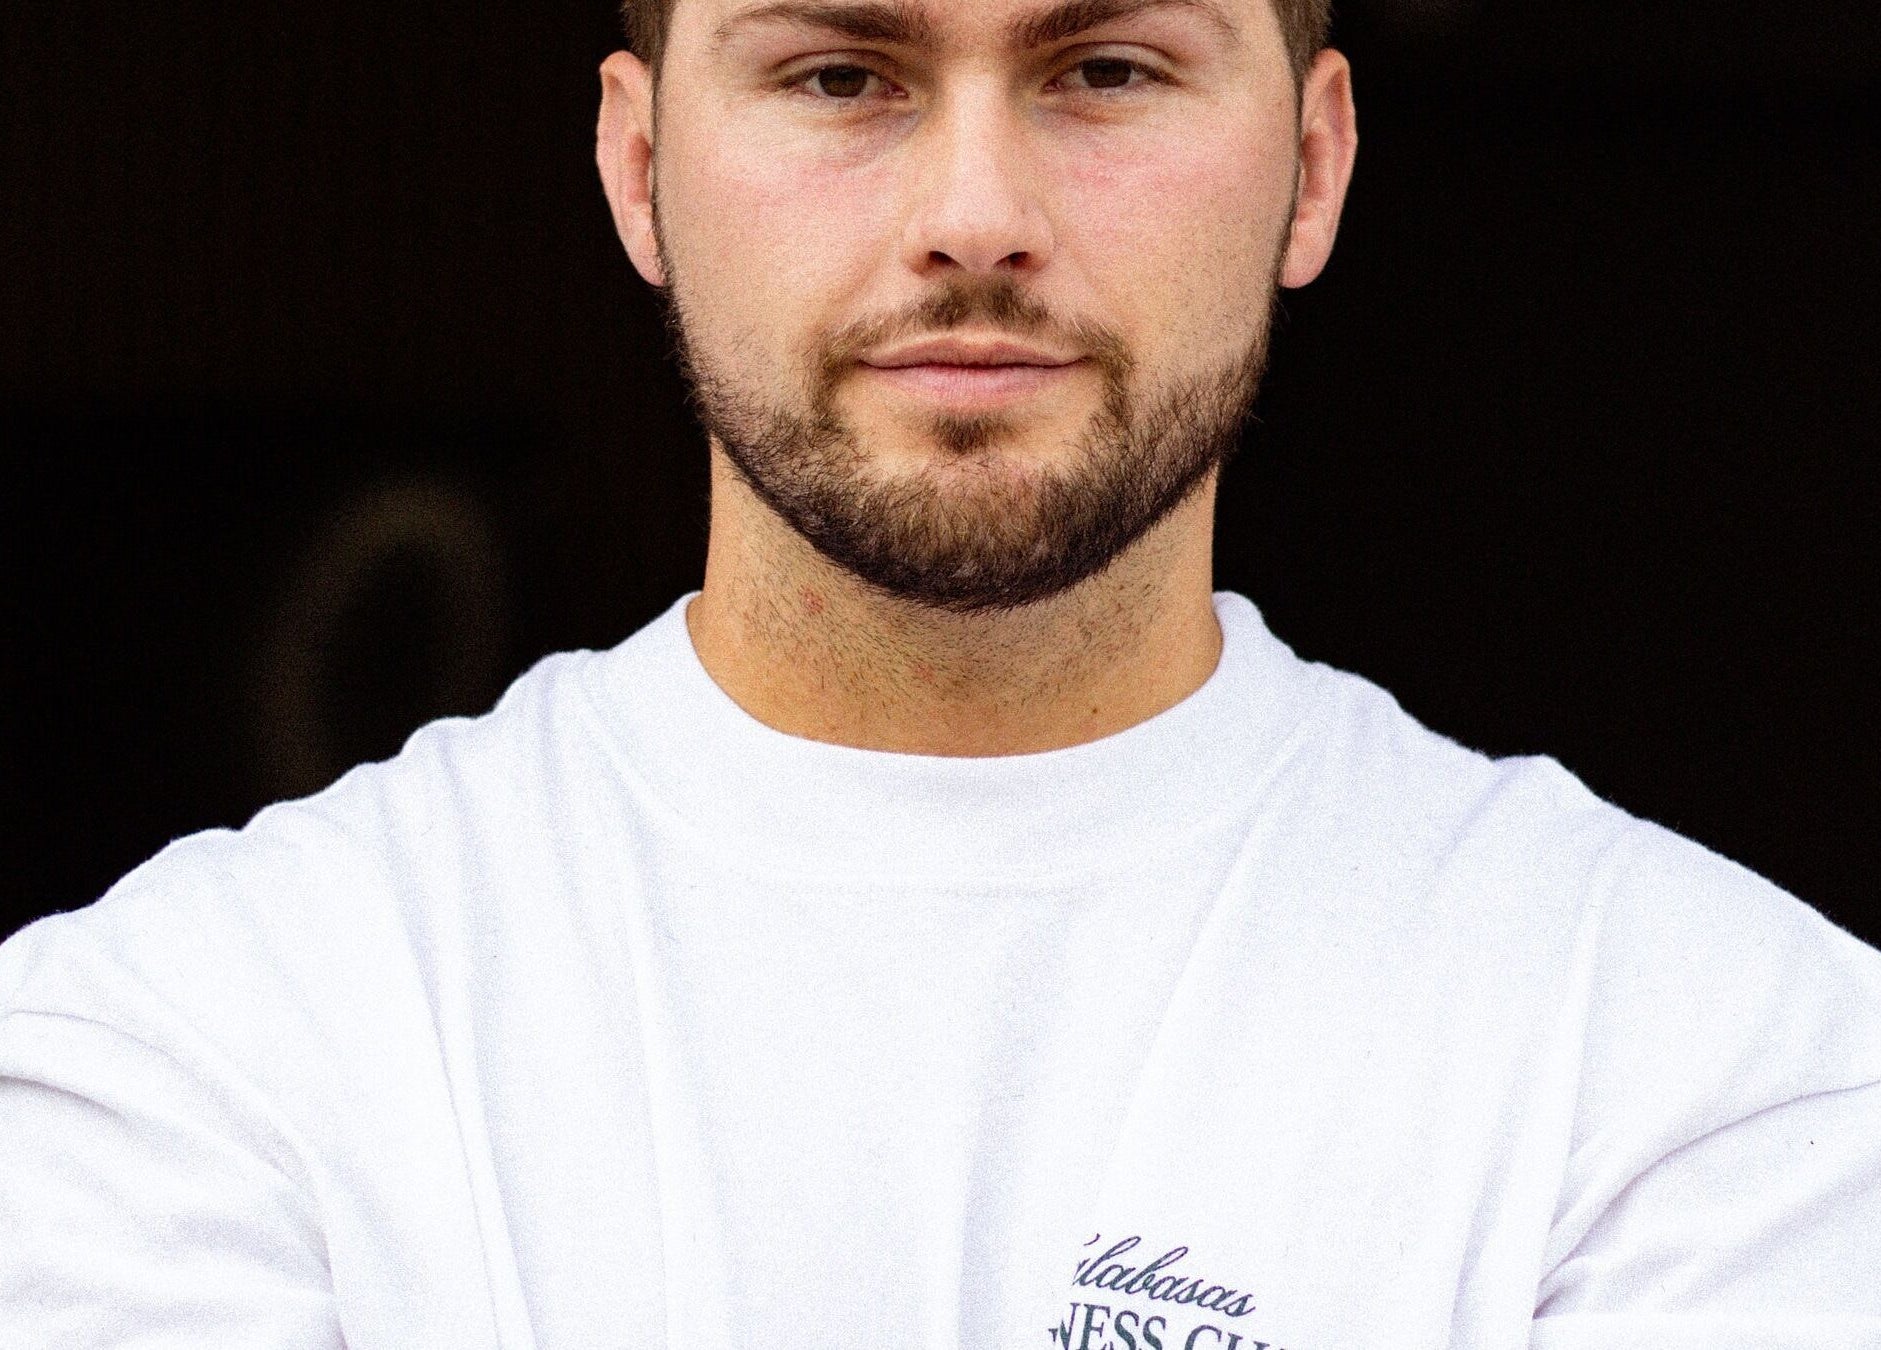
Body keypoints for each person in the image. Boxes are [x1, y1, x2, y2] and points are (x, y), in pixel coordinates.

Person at [3, 0, 1877, 1344]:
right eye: (842, 73)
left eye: (1104, 70)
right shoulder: (184, 1049)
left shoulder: (1709, 1066)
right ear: (639, 166)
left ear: (1311, 168)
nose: (973, 214)